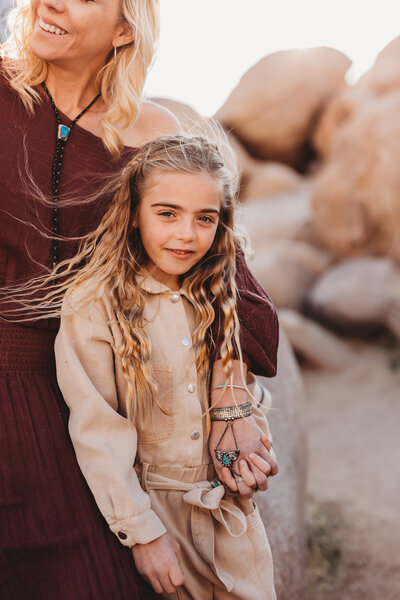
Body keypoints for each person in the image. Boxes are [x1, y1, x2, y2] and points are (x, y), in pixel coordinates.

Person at [0, 1, 278, 598]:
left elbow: (232, 287)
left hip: (86, 395)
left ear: (126, 28)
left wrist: (231, 401)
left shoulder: (151, 133)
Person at [47, 133, 276, 599]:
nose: (186, 234)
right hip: (156, 514)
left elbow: (244, 394)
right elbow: (96, 428)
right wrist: (143, 534)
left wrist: (247, 442)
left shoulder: (220, 297)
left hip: (232, 515)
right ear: (134, 212)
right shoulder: (94, 302)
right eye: (167, 213)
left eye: (204, 218)